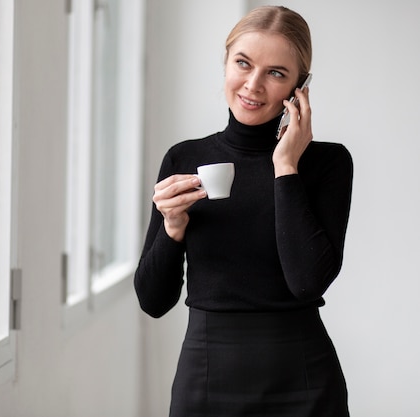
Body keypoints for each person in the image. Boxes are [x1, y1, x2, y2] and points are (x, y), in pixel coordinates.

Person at [134, 6, 353, 417]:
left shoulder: (327, 164)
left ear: (299, 87)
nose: (253, 85)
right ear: (226, 61)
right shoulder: (185, 158)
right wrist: (173, 225)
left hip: (303, 381)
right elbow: (152, 300)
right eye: (243, 63)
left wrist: (285, 165)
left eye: (276, 73)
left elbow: (307, 282)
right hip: (206, 377)